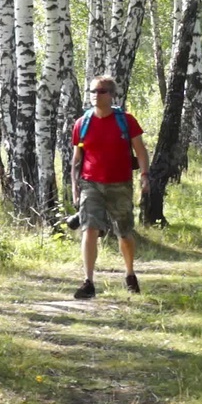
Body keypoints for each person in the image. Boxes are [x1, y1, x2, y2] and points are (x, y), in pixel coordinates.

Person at [70, 76, 149, 299]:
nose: (96, 94)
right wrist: (75, 187)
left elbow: (141, 151)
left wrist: (145, 176)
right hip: (90, 184)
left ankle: (130, 274)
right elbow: (77, 160)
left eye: (101, 91)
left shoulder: (126, 121)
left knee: (123, 232)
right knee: (89, 229)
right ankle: (88, 282)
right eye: (93, 91)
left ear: (111, 94)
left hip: (120, 184)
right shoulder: (82, 124)